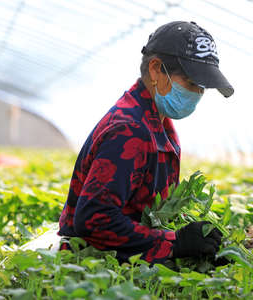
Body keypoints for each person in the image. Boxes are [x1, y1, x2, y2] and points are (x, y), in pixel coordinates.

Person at [57, 21, 234, 264]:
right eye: (192, 83)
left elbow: (145, 210)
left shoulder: (158, 124)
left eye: (202, 87)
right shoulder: (130, 131)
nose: (198, 94)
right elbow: (94, 219)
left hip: (129, 258)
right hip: (95, 263)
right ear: (155, 70)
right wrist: (175, 242)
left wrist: (192, 239)